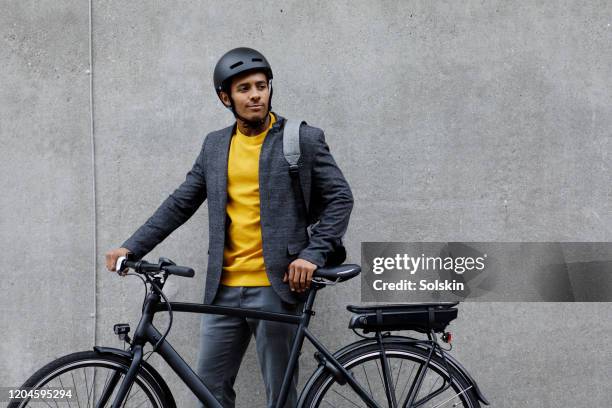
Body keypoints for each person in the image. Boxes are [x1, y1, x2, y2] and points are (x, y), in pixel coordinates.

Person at [105, 47, 353, 408]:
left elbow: (340, 199)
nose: (255, 95)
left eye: (261, 86)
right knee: (209, 392)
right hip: (222, 291)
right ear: (226, 97)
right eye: (244, 89)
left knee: (280, 398)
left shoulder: (302, 139)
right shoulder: (215, 145)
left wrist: (312, 255)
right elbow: (181, 202)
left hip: (278, 287)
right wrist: (132, 248)